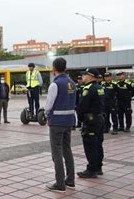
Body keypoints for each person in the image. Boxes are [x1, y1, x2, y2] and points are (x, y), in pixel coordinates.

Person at [44, 58, 76, 191]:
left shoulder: (55, 84)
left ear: (53, 68)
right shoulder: (72, 82)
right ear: (65, 67)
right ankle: (70, 180)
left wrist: (46, 114)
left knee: (56, 152)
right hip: (69, 120)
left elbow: (49, 105)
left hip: (56, 122)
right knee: (67, 150)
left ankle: (59, 183)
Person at [77, 68, 105, 178]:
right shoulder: (99, 88)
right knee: (98, 144)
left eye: (85, 75)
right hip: (99, 119)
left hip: (90, 121)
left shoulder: (88, 89)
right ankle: (98, 167)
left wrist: (80, 119)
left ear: (90, 77)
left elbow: (82, 107)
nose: (83, 77)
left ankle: (91, 170)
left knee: (90, 145)